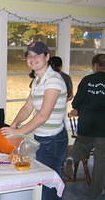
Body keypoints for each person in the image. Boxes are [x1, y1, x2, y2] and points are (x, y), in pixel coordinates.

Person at [1, 41, 68, 200]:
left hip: (53, 140)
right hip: (42, 138)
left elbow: (43, 115)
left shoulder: (53, 80)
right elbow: (27, 107)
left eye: (37, 54)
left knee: (47, 188)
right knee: (41, 183)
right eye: (29, 56)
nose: (33, 59)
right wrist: (13, 124)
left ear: (47, 57)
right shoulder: (38, 81)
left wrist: (18, 132)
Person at [64, 54, 105, 200]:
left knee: (82, 144)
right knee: (101, 160)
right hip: (103, 126)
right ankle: (95, 192)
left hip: (87, 122)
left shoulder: (87, 80)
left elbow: (76, 104)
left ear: (94, 66)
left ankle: (71, 158)